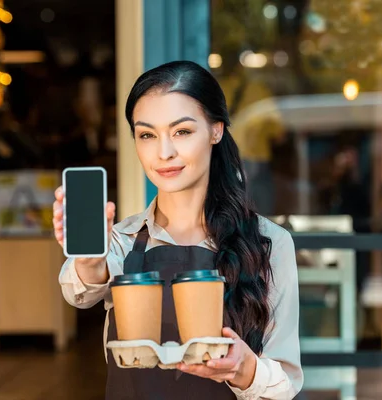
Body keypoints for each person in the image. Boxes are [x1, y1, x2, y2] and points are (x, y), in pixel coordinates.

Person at [53, 61, 303, 399]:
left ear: (216, 130)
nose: (164, 152)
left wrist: (245, 370)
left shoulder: (269, 244)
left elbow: (285, 386)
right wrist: (89, 262)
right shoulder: (121, 241)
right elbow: (78, 292)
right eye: (147, 135)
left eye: (182, 131)